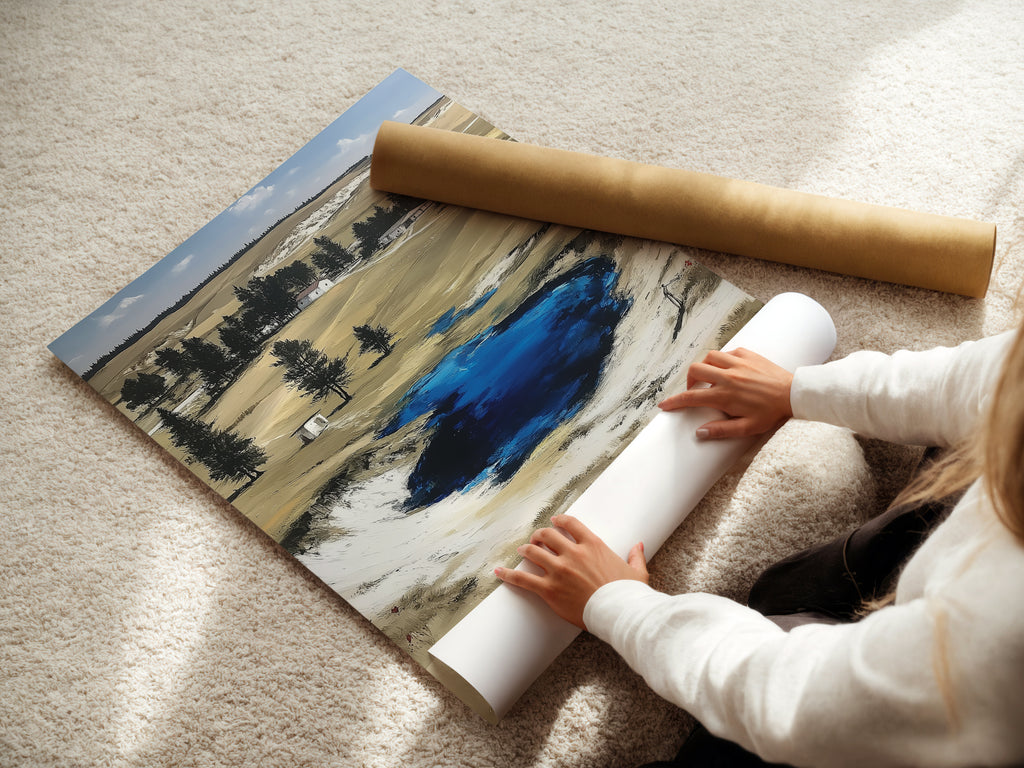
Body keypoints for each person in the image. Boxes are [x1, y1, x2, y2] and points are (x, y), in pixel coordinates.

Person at [495, 326, 1024, 767]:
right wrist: (797, 390)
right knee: (786, 592)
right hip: (953, 614)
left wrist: (619, 605)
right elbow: (985, 378)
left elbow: (794, 701)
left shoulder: (998, 639)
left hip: (944, 719)